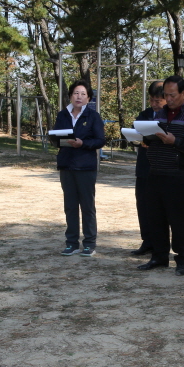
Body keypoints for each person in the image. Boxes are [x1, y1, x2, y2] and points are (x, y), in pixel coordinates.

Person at [138, 76, 184, 275]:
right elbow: (153, 139)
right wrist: (145, 139)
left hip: (177, 173)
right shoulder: (157, 115)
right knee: (156, 217)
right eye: (166, 95)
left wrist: (174, 141)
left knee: (179, 219)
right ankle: (159, 256)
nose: (168, 99)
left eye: (172, 95)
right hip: (155, 171)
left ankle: (182, 258)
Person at [54, 80, 105, 256]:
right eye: (76, 93)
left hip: (86, 167)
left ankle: (89, 243)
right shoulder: (62, 115)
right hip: (66, 165)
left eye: (83, 94)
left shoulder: (93, 116)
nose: (79, 97)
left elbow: (100, 140)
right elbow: (55, 136)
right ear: (70, 96)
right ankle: (72, 243)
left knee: (87, 206)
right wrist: (59, 140)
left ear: (88, 98)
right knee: (70, 206)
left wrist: (83, 143)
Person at [131, 81, 165, 256]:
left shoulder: (171, 116)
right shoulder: (144, 114)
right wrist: (139, 139)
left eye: (158, 101)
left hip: (162, 168)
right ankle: (147, 241)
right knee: (142, 205)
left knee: (159, 208)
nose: (154, 104)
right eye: (152, 100)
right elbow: (134, 132)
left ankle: (160, 244)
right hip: (144, 167)